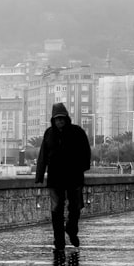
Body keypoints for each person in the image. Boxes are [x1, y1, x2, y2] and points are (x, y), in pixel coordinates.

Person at [35, 103, 92, 250]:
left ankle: (72, 231)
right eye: (57, 119)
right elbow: (43, 155)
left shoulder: (77, 132)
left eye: (62, 118)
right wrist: (39, 175)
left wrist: (82, 168)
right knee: (56, 209)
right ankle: (58, 240)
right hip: (55, 177)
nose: (60, 121)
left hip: (74, 176)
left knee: (76, 206)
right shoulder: (49, 134)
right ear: (53, 120)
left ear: (67, 118)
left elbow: (86, 152)